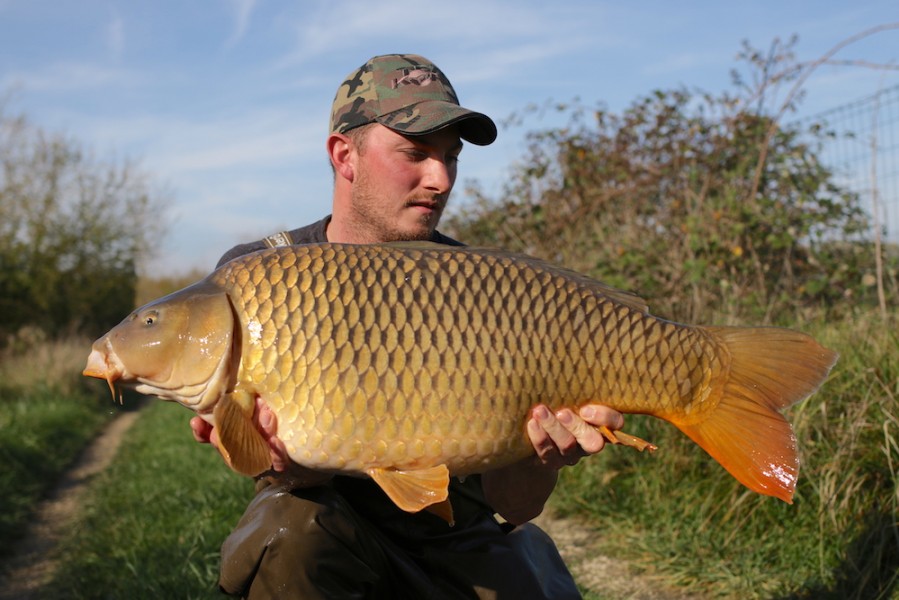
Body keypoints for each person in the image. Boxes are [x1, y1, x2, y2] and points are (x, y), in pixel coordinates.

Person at [191, 53, 625, 599]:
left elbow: (514, 506)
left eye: (451, 157)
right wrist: (279, 459)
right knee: (291, 535)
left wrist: (544, 456)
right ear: (344, 154)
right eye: (415, 153)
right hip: (326, 525)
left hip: (457, 530)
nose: (440, 179)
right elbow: (276, 477)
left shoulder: (484, 288)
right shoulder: (263, 274)